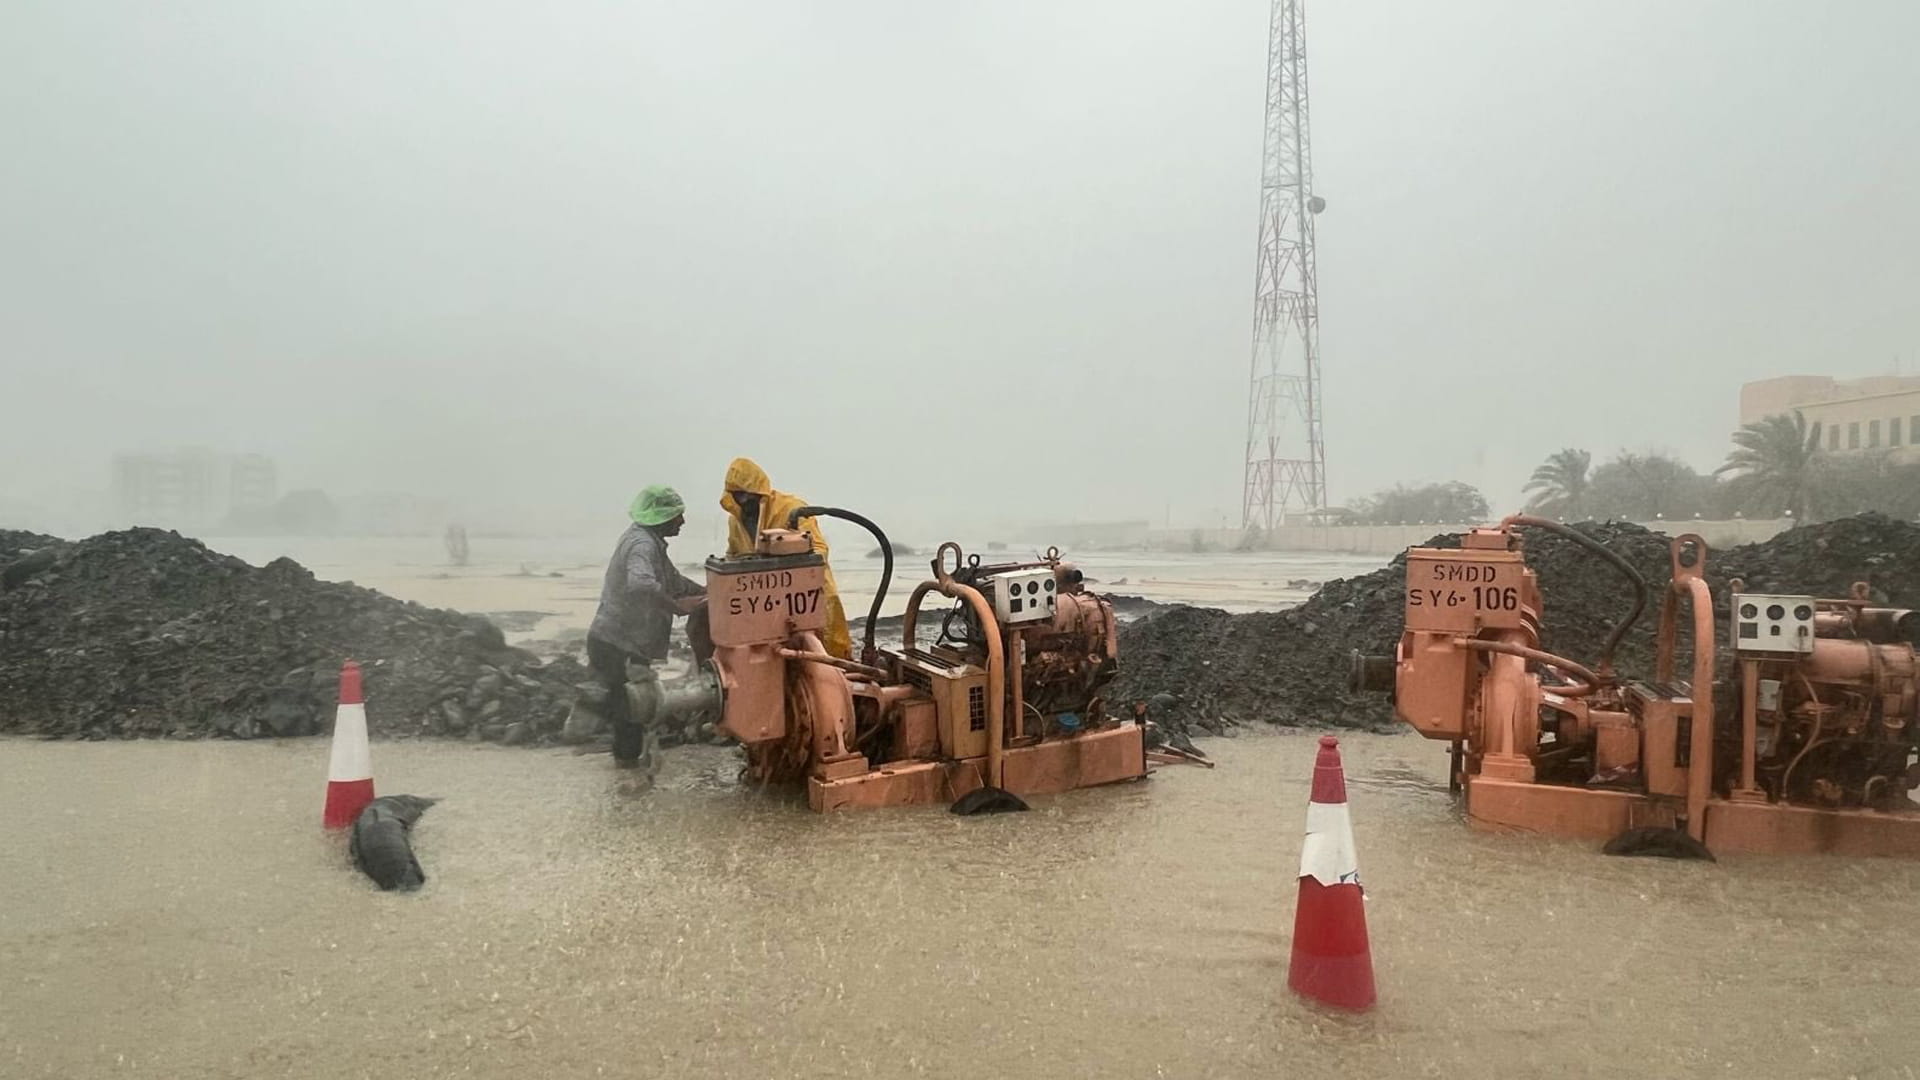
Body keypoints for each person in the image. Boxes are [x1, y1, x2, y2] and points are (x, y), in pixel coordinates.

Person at [587, 485, 706, 770]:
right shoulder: (643, 545)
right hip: (618, 643)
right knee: (631, 711)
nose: (682, 522)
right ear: (662, 517)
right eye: (678, 516)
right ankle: (627, 777)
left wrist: (712, 592)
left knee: (630, 707)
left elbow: (674, 581)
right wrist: (676, 607)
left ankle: (626, 762)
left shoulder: (647, 541)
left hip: (617, 640)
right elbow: (640, 584)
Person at [719, 456, 851, 659]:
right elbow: (733, 556)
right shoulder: (735, 522)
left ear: (758, 491)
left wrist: (786, 561)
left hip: (806, 590)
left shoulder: (791, 509)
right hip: (762, 597)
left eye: (747, 494)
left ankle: (842, 672)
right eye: (738, 495)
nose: (744, 501)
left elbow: (818, 549)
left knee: (827, 640)